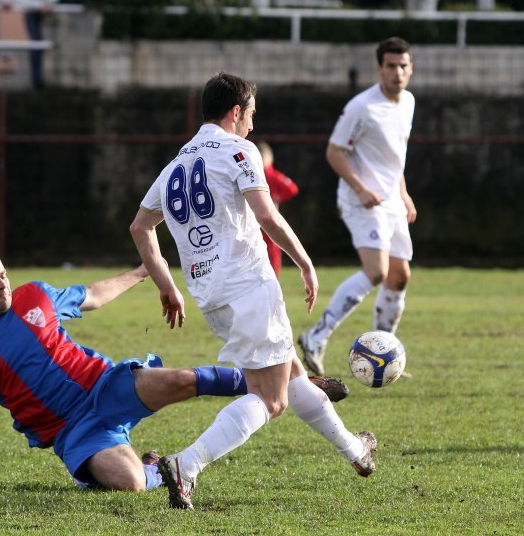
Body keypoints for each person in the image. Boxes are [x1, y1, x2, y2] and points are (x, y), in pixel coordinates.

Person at [130, 72, 373, 511]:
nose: (253, 127)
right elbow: (268, 216)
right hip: (248, 285)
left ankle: (357, 453)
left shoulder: (177, 164)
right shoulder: (238, 150)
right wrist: (306, 262)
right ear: (236, 112)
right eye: (251, 116)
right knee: (271, 399)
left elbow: (140, 226)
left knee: (291, 372)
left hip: (211, 294)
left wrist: (167, 284)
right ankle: (187, 464)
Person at [0, 244, 346, 490]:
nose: (1, 284)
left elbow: (94, 296)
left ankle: (291, 381)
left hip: (104, 385)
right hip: (72, 431)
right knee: (132, 483)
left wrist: (140, 273)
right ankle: (158, 469)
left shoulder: (35, 296)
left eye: (2, 274)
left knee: (184, 380)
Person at [297, 37, 417, 378]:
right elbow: (334, 152)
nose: (397, 72)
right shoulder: (361, 107)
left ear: (411, 69)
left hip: (391, 199)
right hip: (360, 199)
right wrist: (362, 189)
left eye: (403, 66)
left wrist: (404, 193)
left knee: (399, 275)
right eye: (391, 66)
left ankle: (384, 351)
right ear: (380, 68)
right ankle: (315, 337)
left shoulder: (408, 102)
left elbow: (394, 159)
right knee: (376, 270)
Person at [256, 141, 299, 277]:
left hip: (254, 218)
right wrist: (277, 198)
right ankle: (272, 277)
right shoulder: (270, 174)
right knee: (273, 247)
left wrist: (276, 197)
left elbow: (291, 189)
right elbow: (292, 188)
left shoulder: (252, 174)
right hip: (267, 218)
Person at [18, 0, 63, 89]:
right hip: (32, 13)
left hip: (51, 15)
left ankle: (53, 79)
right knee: (36, 43)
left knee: (53, 45)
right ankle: (37, 80)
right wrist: (38, 5)